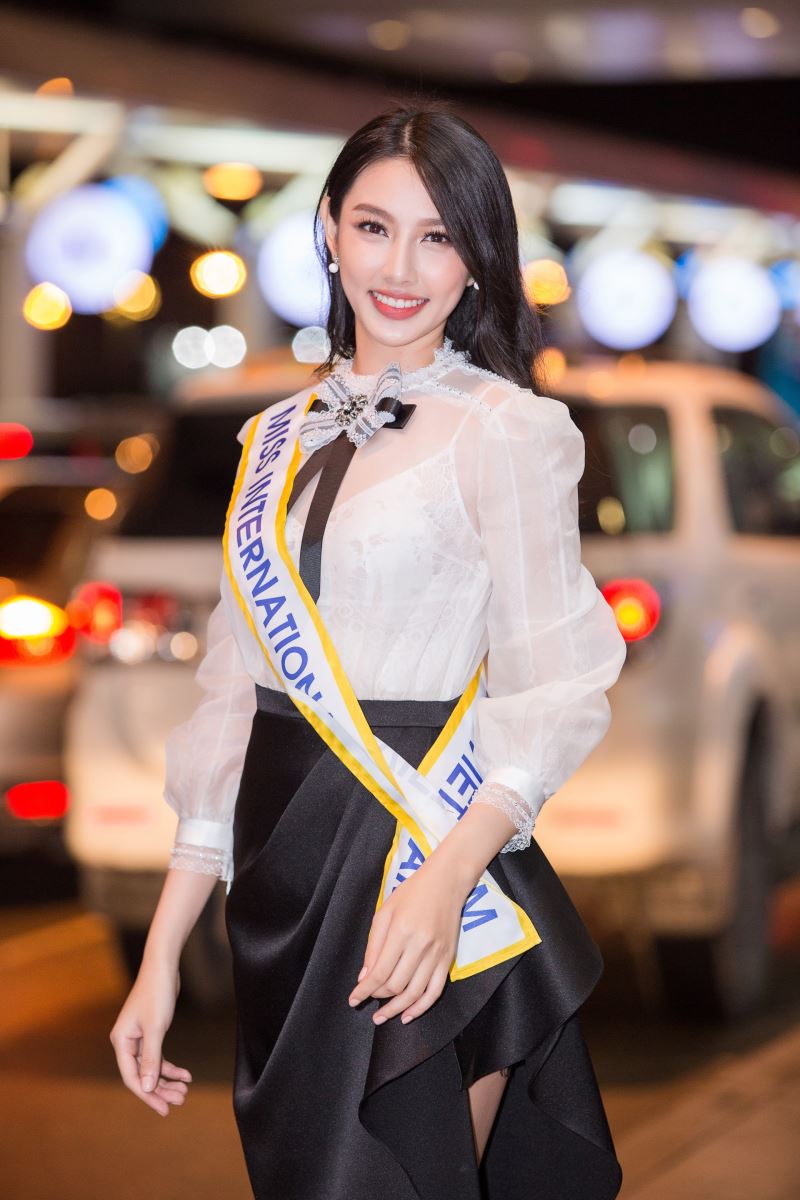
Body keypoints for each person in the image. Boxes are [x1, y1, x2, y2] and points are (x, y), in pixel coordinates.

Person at [109, 98, 628, 1200]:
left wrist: (448, 879)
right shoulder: (270, 437)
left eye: (438, 236)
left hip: (425, 856)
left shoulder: (507, 429)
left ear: (478, 260)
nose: (399, 267)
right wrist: (160, 958)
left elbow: (558, 682)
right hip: (283, 870)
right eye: (374, 226)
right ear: (330, 232)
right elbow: (232, 697)